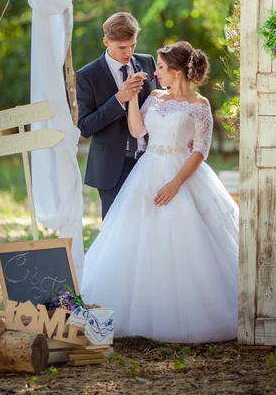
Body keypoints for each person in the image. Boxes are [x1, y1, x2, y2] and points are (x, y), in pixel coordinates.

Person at [82, 41, 239, 343]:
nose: (156, 72)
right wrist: (130, 99)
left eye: (162, 67)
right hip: (148, 170)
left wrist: (176, 183)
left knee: (187, 242)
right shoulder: (154, 96)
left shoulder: (200, 104)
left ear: (178, 71)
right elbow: (138, 131)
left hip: (182, 173)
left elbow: (201, 150)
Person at [76, 12, 159, 218]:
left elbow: (164, 104)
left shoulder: (147, 62)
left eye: (133, 46)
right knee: (115, 232)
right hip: (112, 167)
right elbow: (85, 126)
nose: (129, 53)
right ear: (106, 41)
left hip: (150, 161)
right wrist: (118, 99)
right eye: (122, 47)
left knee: (150, 226)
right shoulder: (87, 75)